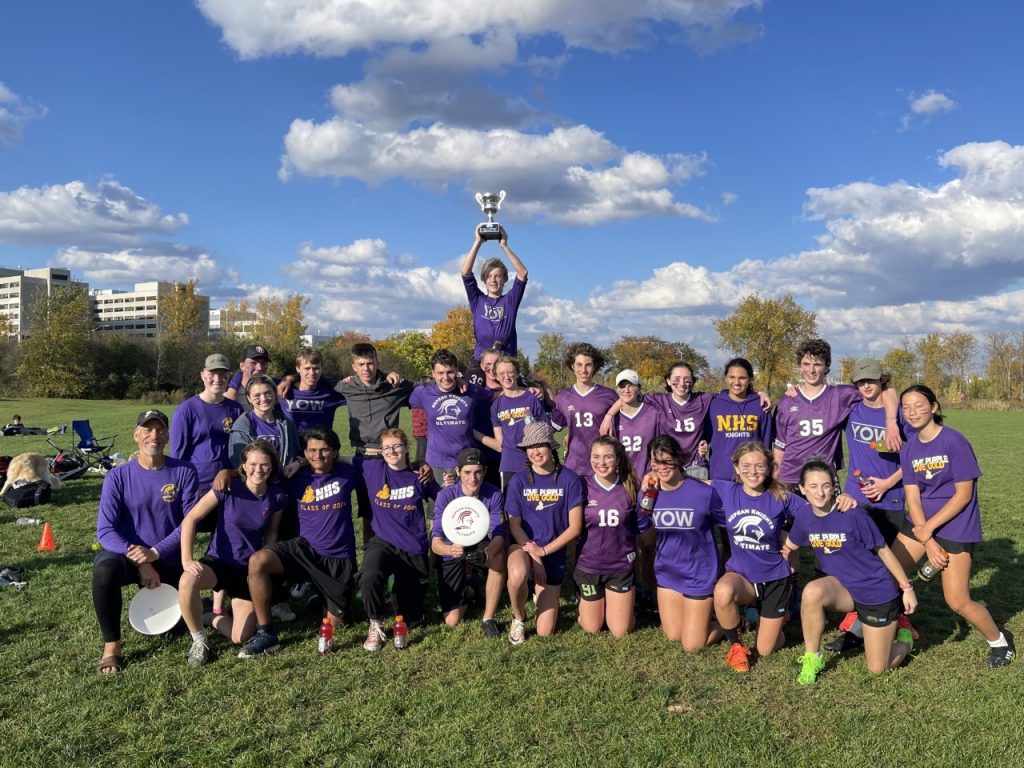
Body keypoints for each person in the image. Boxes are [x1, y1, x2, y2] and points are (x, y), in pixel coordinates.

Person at [889, 384, 1014, 667]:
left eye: (919, 405)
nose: (912, 412)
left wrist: (929, 530)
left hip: (957, 524)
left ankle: (999, 641)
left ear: (934, 407)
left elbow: (963, 494)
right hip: (922, 524)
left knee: (957, 600)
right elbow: (913, 496)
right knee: (887, 573)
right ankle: (895, 625)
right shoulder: (909, 450)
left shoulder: (955, 442)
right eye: (906, 407)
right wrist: (928, 540)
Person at [782, 460, 918, 684]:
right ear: (803, 489)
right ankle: (812, 658)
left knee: (878, 669)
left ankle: (904, 639)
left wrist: (906, 587)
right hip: (845, 589)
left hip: (875, 591)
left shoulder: (853, 514)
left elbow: (883, 551)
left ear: (834, 487)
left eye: (826, 485)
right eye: (813, 486)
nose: (820, 492)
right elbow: (791, 544)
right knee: (812, 591)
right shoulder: (805, 516)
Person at [92, 409, 199, 674]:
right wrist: (141, 559)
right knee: (104, 569)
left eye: (160, 429)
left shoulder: (184, 471)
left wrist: (154, 553)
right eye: (148, 430)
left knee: (174, 631)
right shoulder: (117, 477)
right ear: (136, 435)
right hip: (129, 558)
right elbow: (105, 531)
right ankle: (111, 647)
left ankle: (200, 610)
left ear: (167, 435)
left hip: (170, 559)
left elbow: (189, 523)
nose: (154, 435)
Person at [240, 428, 358, 657]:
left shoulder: (348, 472)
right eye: (311, 451)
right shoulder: (293, 476)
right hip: (303, 549)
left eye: (324, 450)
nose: (318, 455)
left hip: (338, 556)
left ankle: (323, 598)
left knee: (334, 623)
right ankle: (265, 632)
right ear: (305, 452)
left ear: (334, 452)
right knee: (258, 561)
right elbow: (258, 471)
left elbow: (380, 462)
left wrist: (419, 464)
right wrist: (228, 472)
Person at [177, 441, 288, 665]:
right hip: (218, 562)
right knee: (187, 580)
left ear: (272, 467)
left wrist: (263, 566)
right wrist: (187, 559)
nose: (259, 470)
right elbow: (190, 519)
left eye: (265, 465)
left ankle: (210, 615)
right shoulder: (227, 488)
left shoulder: (277, 496)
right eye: (253, 464)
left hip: (248, 571)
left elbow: (272, 534)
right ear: (244, 466)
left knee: (240, 637)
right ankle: (199, 640)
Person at [710, 441, 804, 672]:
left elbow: (813, 515)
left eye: (759, 466)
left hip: (774, 577)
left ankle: (775, 621)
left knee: (765, 649)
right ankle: (736, 646)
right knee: (722, 592)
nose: (752, 472)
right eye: (746, 465)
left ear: (770, 468)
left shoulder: (781, 495)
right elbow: (686, 485)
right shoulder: (726, 490)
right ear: (735, 467)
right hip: (742, 576)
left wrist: (791, 540)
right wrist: (658, 476)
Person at [773, 339, 898, 487]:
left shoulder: (841, 396)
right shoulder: (786, 401)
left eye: (817, 364)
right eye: (806, 364)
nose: (811, 370)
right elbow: (780, 446)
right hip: (790, 478)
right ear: (799, 366)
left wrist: (891, 423)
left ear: (826, 367)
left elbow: (888, 391)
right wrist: (775, 479)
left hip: (824, 480)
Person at [639, 435, 723, 651]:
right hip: (668, 573)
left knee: (692, 645)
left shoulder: (703, 492)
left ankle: (729, 622)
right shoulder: (650, 492)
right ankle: (699, 618)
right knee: (673, 637)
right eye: (656, 462)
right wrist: (647, 495)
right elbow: (642, 531)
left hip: (699, 574)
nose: (661, 467)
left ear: (678, 459)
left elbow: (727, 526)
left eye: (667, 461)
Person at [358, 429, 440, 650]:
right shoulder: (371, 468)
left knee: (411, 618)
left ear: (405, 447)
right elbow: (336, 459)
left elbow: (442, 498)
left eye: (396, 446)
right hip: (382, 540)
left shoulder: (419, 476)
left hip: (412, 544)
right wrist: (299, 462)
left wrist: (428, 467)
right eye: (387, 448)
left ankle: (400, 606)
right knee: (369, 575)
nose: (392, 451)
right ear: (381, 452)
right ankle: (375, 623)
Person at [505, 422, 585, 644]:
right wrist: (535, 555)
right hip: (524, 548)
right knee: (518, 574)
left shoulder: (569, 479)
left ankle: (538, 591)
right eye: (530, 447)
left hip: (553, 551)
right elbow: (514, 525)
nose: (535, 452)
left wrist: (545, 551)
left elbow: (575, 528)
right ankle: (519, 617)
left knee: (544, 631)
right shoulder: (518, 481)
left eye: (540, 446)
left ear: (552, 447)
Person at [431, 447, 508, 636]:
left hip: (482, 544)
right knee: (451, 620)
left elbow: (499, 534)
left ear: (484, 472)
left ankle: (488, 618)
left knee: (497, 558)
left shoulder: (494, 494)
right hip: (453, 547)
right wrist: (449, 550)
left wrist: (487, 553)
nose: (472, 479)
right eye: (466, 472)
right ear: (457, 471)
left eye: (477, 472)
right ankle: (473, 586)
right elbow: (435, 542)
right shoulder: (445, 496)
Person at [576, 436, 648, 637]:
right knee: (592, 627)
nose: (601, 463)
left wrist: (647, 501)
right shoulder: (582, 485)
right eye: (596, 457)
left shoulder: (630, 485)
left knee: (619, 631)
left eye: (608, 457)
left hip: (620, 567)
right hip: (588, 566)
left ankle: (629, 604)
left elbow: (639, 527)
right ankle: (585, 604)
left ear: (618, 460)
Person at [409, 349, 490, 485]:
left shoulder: (471, 390)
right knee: (438, 505)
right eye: (440, 373)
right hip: (436, 463)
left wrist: (527, 390)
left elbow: (495, 395)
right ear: (433, 373)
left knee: (466, 505)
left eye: (450, 372)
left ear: (456, 371)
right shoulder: (422, 393)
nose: (445, 377)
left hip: (467, 461)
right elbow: (399, 390)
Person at [170, 353, 244, 494]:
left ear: (228, 376)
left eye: (222, 374)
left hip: (230, 484)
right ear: (203, 375)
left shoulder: (235, 409)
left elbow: (243, 449)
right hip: (197, 486)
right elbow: (177, 455)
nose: (217, 379)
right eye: (212, 374)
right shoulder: (186, 410)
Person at [550, 342, 618, 477]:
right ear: (572, 366)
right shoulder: (563, 397)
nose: (583, 370)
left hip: (602, 466)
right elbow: (551, 428)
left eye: (588, 365)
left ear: (594, 367)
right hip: (573, 466)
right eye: (579, 365)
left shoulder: (609, 396)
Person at [479, 355, 548, 489]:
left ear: (516, 373)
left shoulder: (532, 399)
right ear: (496, 376)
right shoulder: (496, 405)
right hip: (509, 465)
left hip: (534, 462)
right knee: (511, 507)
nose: (506, 376)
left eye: (510, 372)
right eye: (501, 373)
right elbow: (500, 445)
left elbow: (545, 432)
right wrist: (472, 432)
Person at [462, 226, 528, 361]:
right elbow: (465, 273)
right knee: (469, 382)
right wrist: (478, 242)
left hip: (506, 361)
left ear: (504, 279)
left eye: (498, 276)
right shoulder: (477, 299)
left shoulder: (510, 300)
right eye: (489, 276)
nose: (493, 280)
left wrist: (504, 246)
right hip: (481, 362)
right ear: (484, 279)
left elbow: (522, 273)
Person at [706, 358, 774, 481]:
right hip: (721, 475)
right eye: (732, 377)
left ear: (750, 379)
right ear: (726, 378)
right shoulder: (713, 404)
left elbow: (767, 445)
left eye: (742, 378)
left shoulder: (761, 405)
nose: (736, 382)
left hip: (751, 476)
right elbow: (704, 437)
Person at [228, 374, 302, 471]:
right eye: (257, 395)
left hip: (284, 483)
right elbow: (240, 463)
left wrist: (299, 462)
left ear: (275, 394)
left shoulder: (286, 425)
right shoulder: (242, 427)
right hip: (256, 483)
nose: (263, 399)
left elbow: (298, 453)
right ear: (249, 398)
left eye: (268, 393)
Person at [279, 347, 347, 434]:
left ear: (321, 368)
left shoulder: (330, 392)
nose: (312, 373)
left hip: (320, 446)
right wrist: (288, 378)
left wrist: (353, 381)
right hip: (292, 446)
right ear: (298, 368)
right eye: (307, 368)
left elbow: (359, 394)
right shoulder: (284, 389)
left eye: (316, 368)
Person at [610, 369, 661, 480]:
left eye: (631, 386)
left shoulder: (653, 413)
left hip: (649, 478)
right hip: (623, 480)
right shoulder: (613, 419)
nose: (626, 390)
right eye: (622, 386)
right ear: (617, 390)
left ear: (638, 388)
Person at [225, 344, 273, 409]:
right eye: (253, 363)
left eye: (263, 363)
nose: (260, 368)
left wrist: (289, 379)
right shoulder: (229, 392)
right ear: (242, 366)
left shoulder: (271, 386)